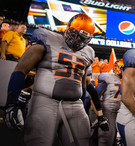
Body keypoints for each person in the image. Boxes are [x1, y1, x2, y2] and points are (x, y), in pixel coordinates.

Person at [4, 13, 107, 145]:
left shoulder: (89, 52)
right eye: (76, 35)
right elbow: (20, 70)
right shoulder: (47, 39)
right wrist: (12, 104)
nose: (78, 41)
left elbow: (83, 83)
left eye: (83, 38)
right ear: (68, 28)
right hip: (46, 101)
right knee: (40, 141)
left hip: (75, 104)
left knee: (82, 141)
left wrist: (82, 103)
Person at [98, 59, 123, 146]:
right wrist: (100, 116)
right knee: (106, 140)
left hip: (123, 114)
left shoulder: (129, 79)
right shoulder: (107, 77)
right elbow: (95, 97)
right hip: (109, 113)